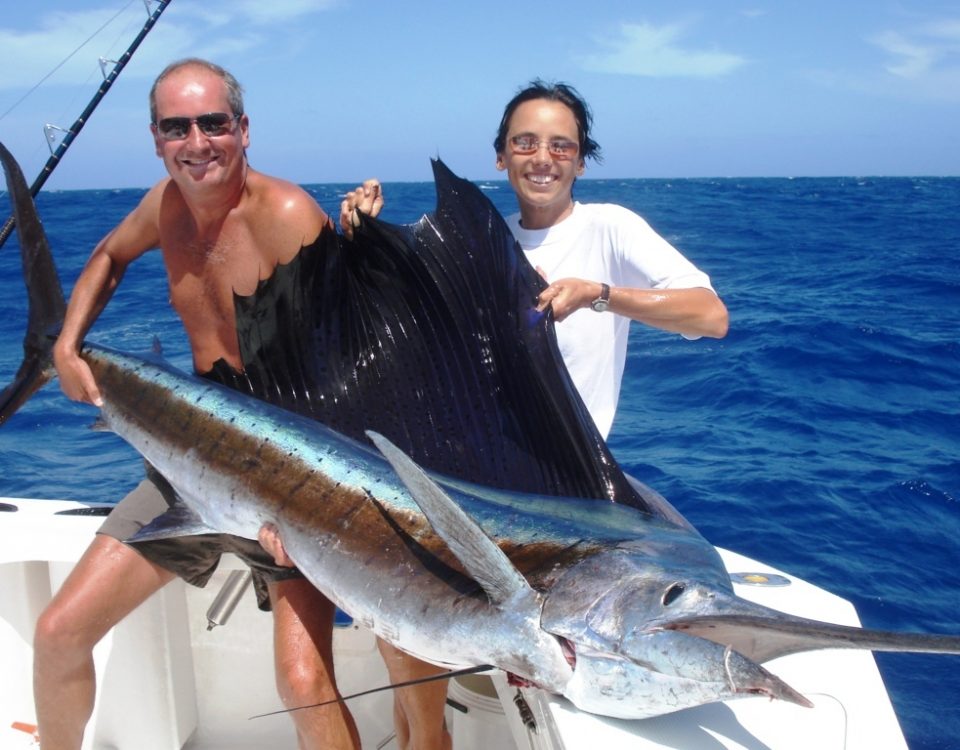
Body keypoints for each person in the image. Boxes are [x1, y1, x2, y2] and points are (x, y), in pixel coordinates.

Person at [338, 78, 730, 748]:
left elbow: (710, 315)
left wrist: (601, 295)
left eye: (560, 145)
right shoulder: (479, 246)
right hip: (464, 487)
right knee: (405, 637)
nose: (542, 157)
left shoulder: (609, 227)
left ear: (581, 159)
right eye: (525, 142)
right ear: (500, 157)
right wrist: (359, 243)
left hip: (567, 501)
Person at [34, 58, 380, 750]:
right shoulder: (163, 205)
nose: (197, 143)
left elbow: (353, 364)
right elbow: (106, 256)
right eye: (177, 127)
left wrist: (306, 508)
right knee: (57, 635)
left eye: (213, 123)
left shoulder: (285, 216)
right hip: (188, 460)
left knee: (304, 683)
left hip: (288, 477)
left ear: (243, 130)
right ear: (157, 139)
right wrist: (68, 345)